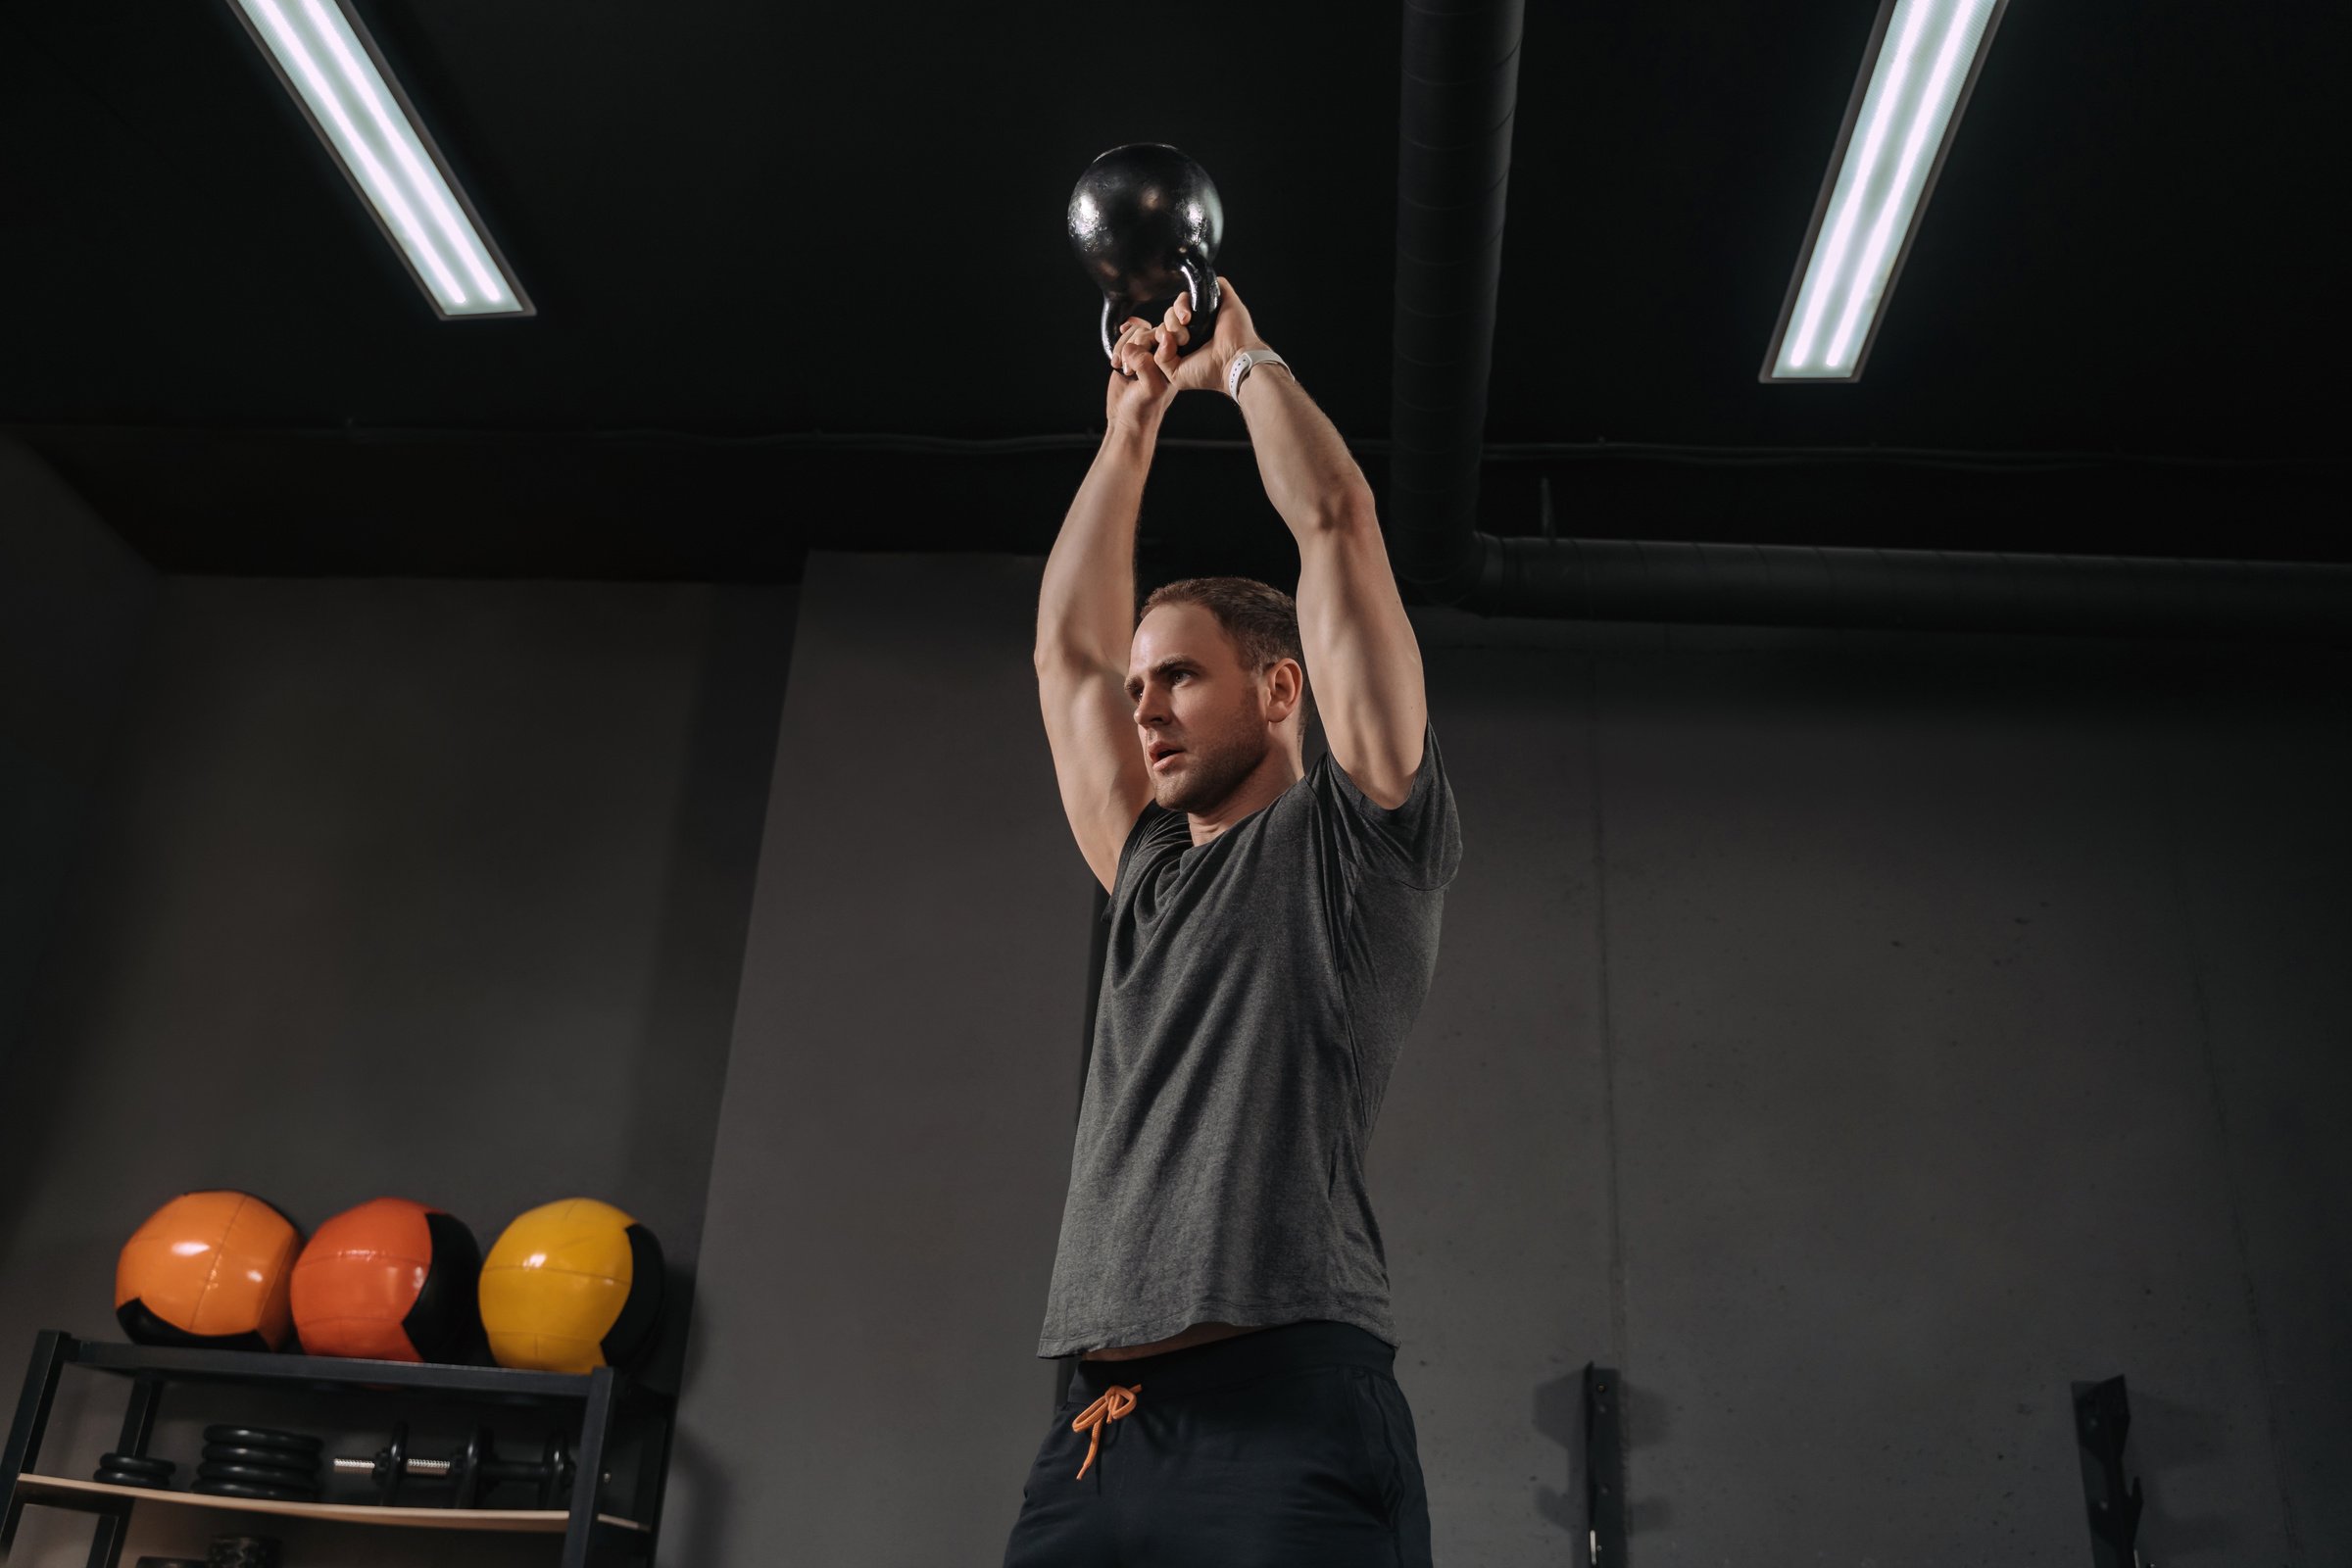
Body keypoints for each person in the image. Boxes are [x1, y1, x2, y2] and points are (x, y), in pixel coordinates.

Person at [1006, 279, 1461, 1567]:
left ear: (1278, 688)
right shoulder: (1146, 871)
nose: (1144, 709)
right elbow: (1066, 659)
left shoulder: (1355, 842)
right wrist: (1131, 429)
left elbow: (1336, 526)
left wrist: (1245, 364)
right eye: (1143, 685)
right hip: (1100, 1429)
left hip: (1287, 1414)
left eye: (1182, 678)